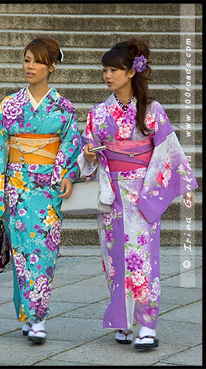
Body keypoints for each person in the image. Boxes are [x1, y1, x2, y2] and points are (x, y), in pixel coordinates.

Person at [78, 38, 198, 349]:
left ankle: (147, 325)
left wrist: (158, 193)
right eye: (104, 70)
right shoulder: (98, 112)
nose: (107, 75)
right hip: (112, 194)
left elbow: (168, 152)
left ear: (132, 72)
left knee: (142, 259)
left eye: (114, 70)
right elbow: (88, 153)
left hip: (143, 192)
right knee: (114, 259)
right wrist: (90, 156)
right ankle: (123, 322)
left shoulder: (153, 110)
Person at [0, 36, 81, 344]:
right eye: (26, 60)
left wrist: (68, 175)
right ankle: (30, 315)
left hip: (48, 189)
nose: (29, 66)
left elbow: (72, 147)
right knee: (21, 253)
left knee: (44, 253)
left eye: (36, 61)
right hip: (16, 187)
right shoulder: (9, 105)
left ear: (51, 66)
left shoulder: (63, 108)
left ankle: (38, 316)